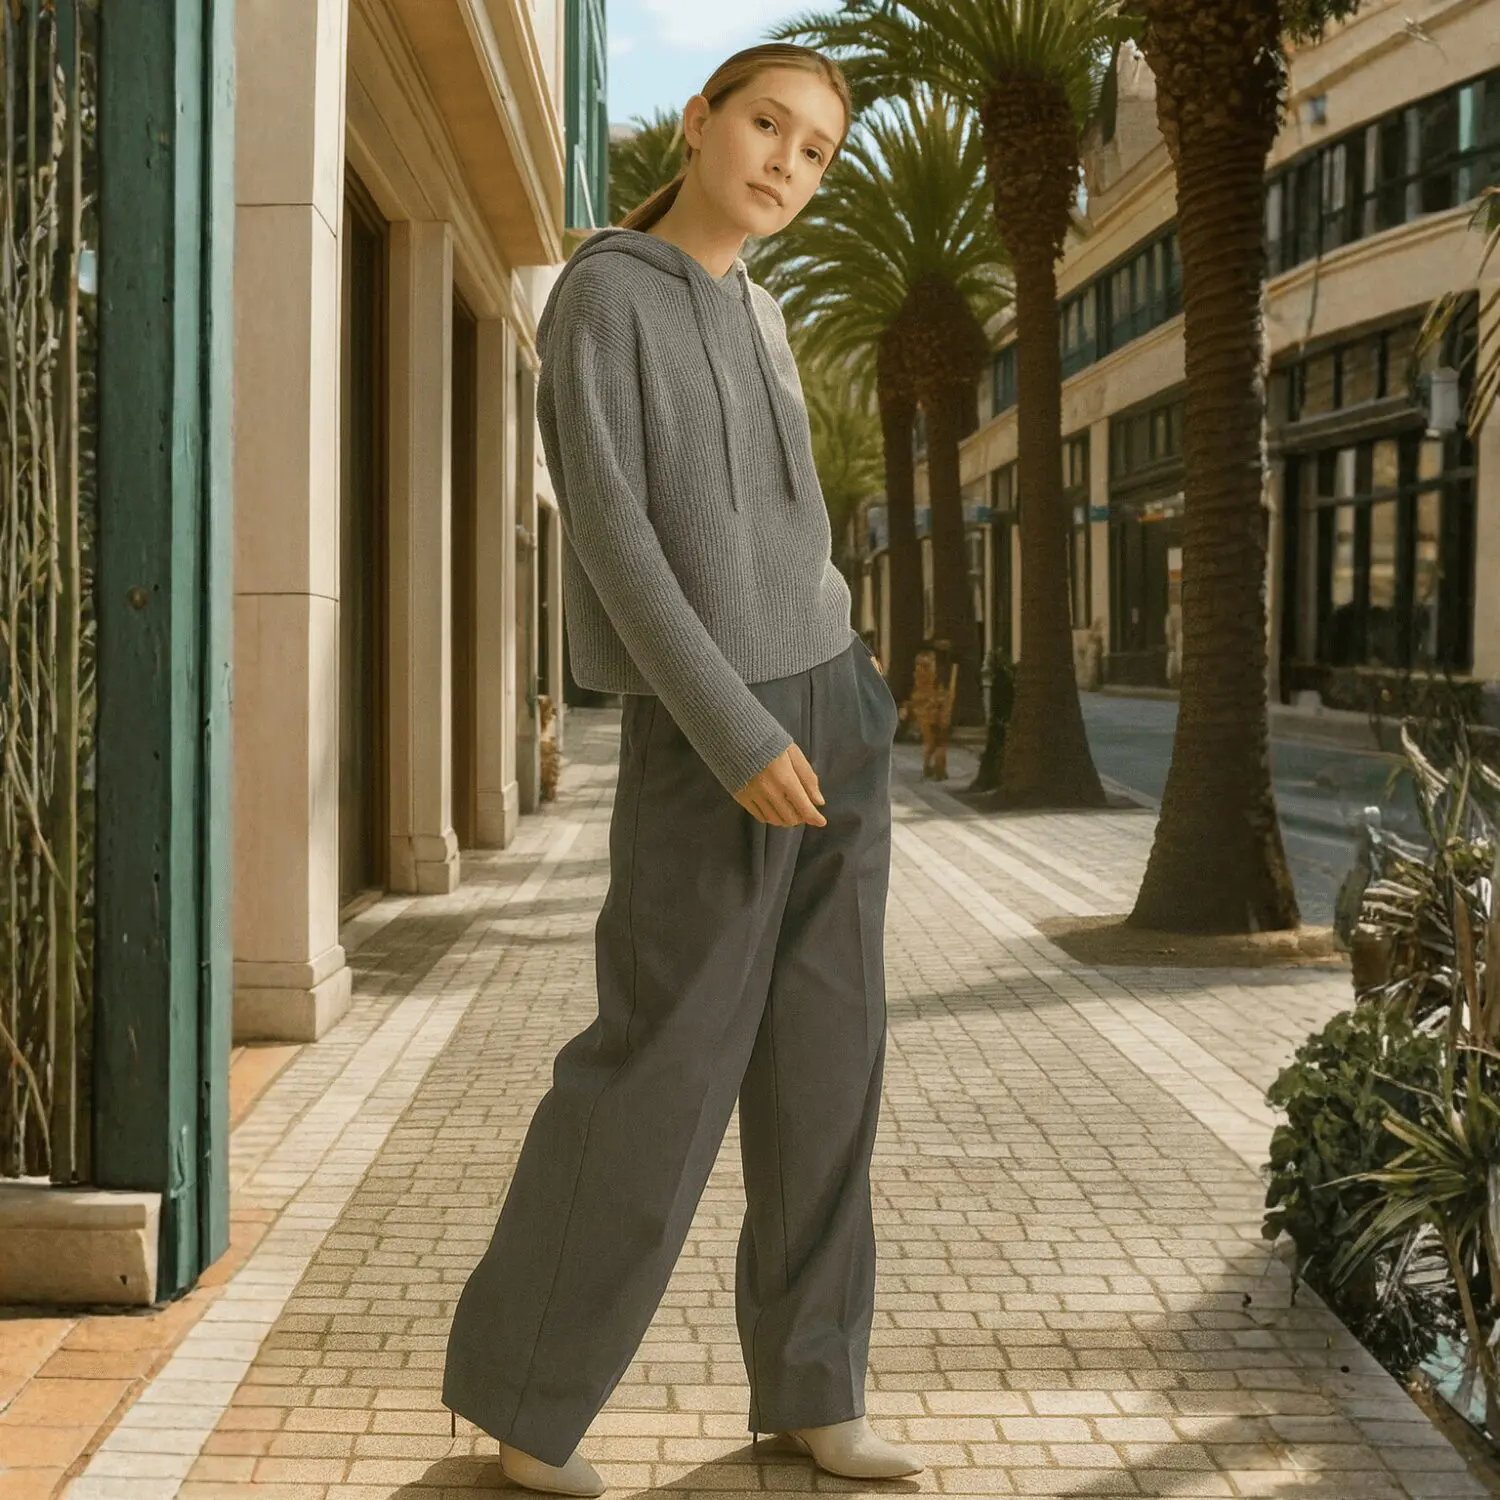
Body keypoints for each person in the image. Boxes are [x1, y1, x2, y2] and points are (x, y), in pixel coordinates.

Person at [440, 42, 923, 1499]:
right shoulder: (607, 295)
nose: (787, 160)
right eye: (768, 123)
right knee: (655, 1073)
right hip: (715, 743)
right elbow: (620, 547)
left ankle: (813, 1389)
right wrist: (735, 729)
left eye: (818, 148)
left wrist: (857, 683)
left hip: (834, 713)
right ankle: (530, 1410)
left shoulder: (762, 312)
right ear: (703, 119)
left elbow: (786, 540)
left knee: (828, 1073)